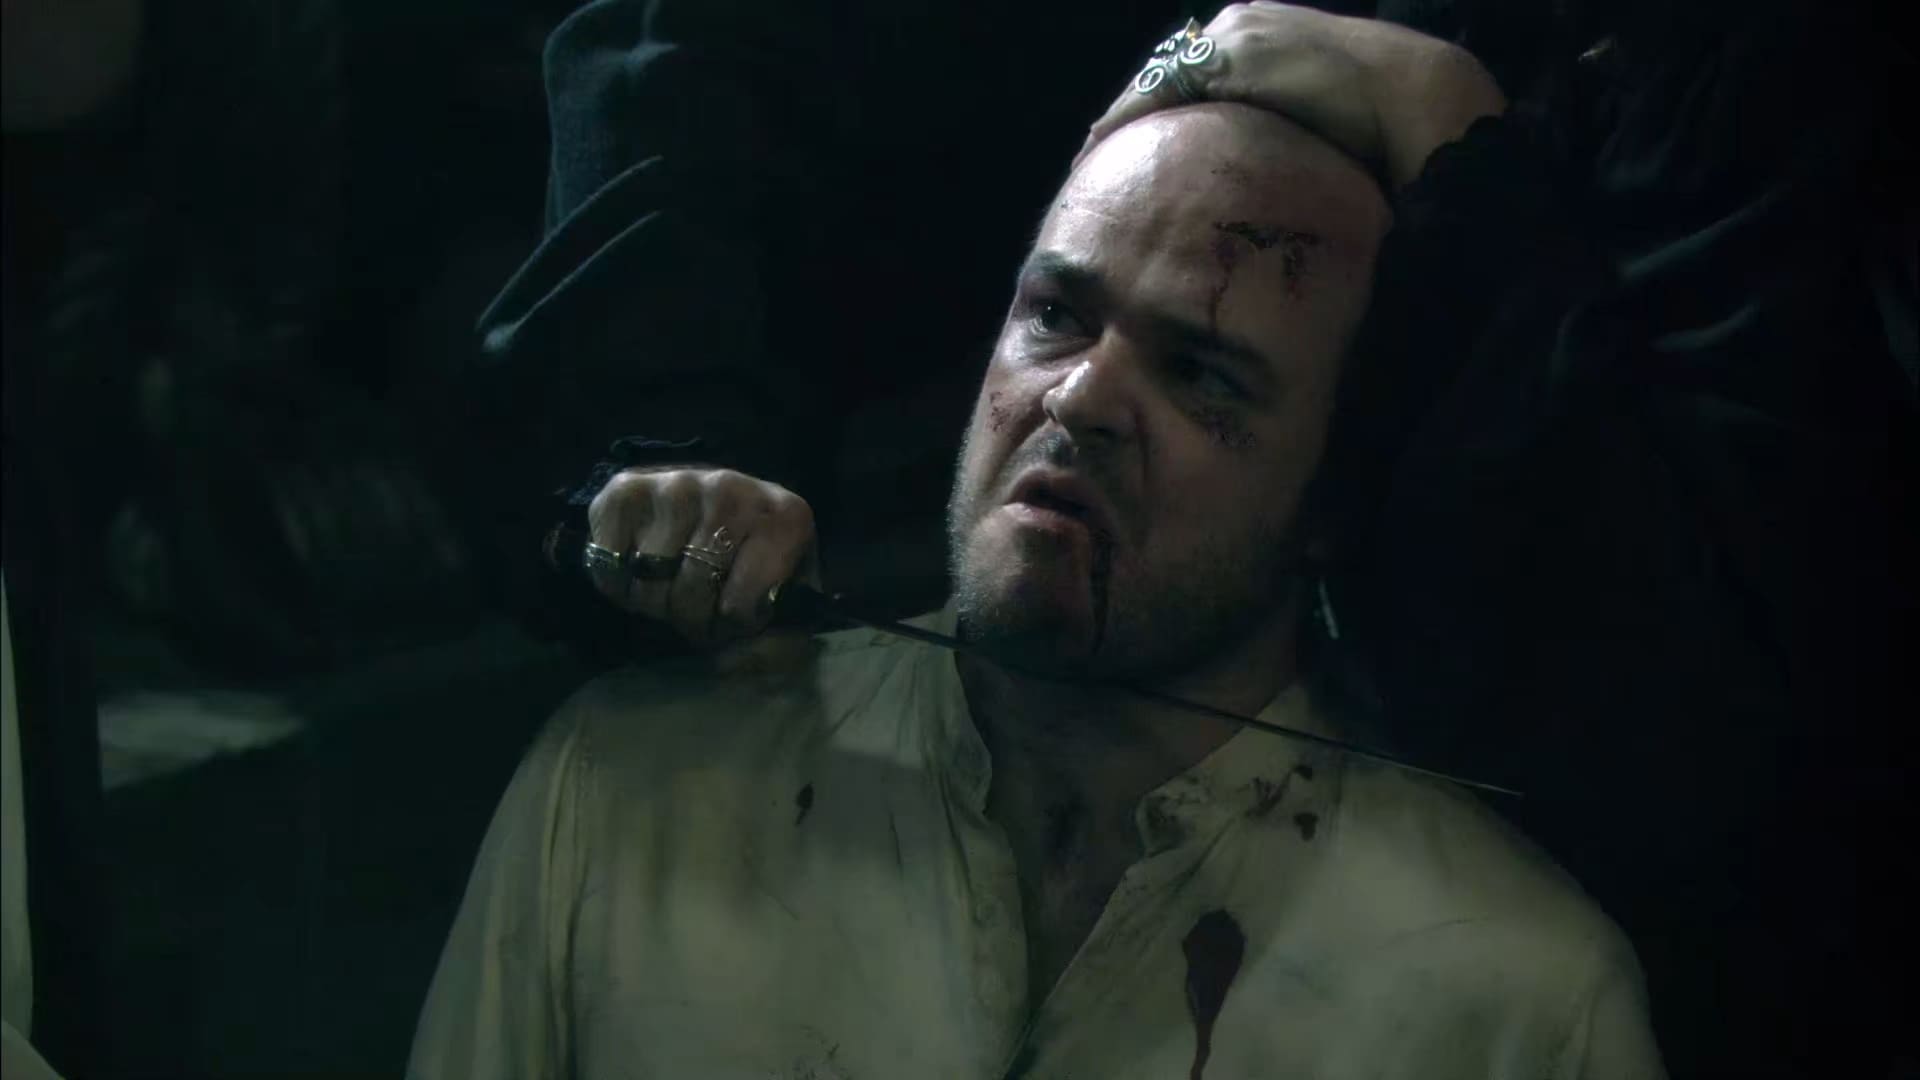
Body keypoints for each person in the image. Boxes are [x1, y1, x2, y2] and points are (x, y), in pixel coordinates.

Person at [410, 85, 1667, 1075]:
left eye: (1201, 372)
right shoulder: (629, 790)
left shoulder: (1516, 1002)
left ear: (1338, 498)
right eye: (1056, 316)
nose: (1080, 399)